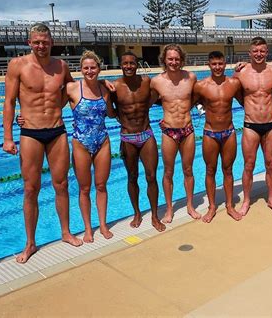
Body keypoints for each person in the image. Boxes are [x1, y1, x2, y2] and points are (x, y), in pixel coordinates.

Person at [2, 23, 82, 263]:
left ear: (51, 42)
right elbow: (9, 102)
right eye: (36, 41)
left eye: (45, 42)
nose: (41, 45)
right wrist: (7, 137)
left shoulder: (61, 66)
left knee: (62, 184)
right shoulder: (18, 65)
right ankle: (30, 243)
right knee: (30, 189)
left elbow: (74, 91)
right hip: (30, 133)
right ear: (30, 42)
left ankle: (66, 232)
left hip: (57, 131)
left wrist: (103, 88)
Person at [111, 52, 166, 232]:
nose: (128, 66)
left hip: (146, 134)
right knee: (132, 176)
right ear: (120, 65)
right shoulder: (115, 86)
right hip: (127, 137)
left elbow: (163, 93)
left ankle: (155, 216)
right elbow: (110, 111)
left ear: (137, 64)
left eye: (132, 63)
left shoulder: (147, 82)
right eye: (125, 63)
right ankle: (137, 213)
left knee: (151, 176)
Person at [66, 51, 116, 242]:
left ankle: (103, 225)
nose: (89, 71)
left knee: (101, 186)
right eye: (85, 68)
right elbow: (52, 107)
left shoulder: (105, 90)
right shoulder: (72, 88)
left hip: (102, 141)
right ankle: (88, 228)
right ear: (80, 70)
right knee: (84, 189)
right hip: (80, 144)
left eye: (93, 67)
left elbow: (111, 114)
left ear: (99, 69)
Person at [233, 37, 272, 216]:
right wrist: (249, 108)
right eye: (255, 51)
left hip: (271, 125)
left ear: (267, 52)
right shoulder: (241, 73)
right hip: (250, 125)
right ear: (249, 53)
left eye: (262, 51)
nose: (259, 54)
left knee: (271, 164)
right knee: (248, 165)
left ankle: (271, 199)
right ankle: (246, 200)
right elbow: (234, 94)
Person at [150, 44, 200, 223]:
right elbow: (143, 100)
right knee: (168, 171)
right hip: (168, 131)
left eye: (177, 59)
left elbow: (200, 96)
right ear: (164, 60)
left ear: (182, 60)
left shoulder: (191, 78)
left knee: (188, 170)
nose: (173, 62)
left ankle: (190, 205)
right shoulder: (156, 81)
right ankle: (169, 209)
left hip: (187, 130)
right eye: (170, 59)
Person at [193, 51, 243, 222]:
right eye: (214, 64)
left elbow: (246, 101)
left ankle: (229, 206)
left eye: (220, 63)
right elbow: (189, 103)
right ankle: (212, 206)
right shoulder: (201, 85)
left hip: (229, 132)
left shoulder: (233, 83)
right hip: (210, 133)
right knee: (210, 170)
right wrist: (202, 109)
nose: (217, 67)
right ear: (208, 65)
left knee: (228, 170)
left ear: (225, 63)